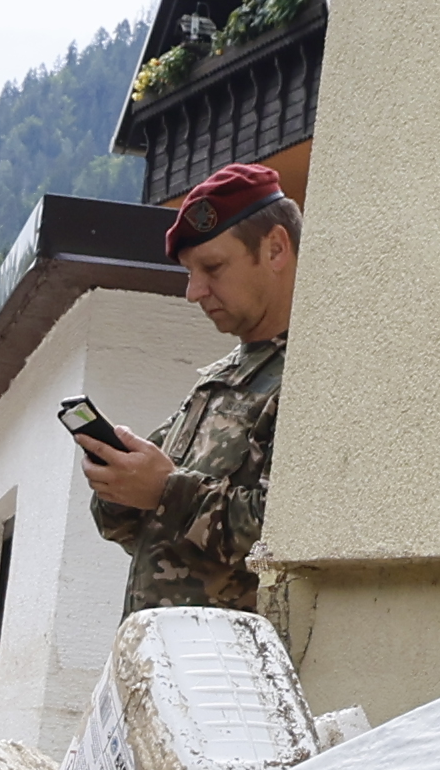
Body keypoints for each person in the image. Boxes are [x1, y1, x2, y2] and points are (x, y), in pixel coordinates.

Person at [82, 157, 298, 617]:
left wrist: (166, 491)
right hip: (161, 649)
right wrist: (118, 485)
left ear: (276, 249)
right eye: (189, 273)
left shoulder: (313, 375)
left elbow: (286, 540)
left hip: (234, 656)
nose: (193, 291)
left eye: (212, 267)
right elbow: (137, 529)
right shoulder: (219, 379)